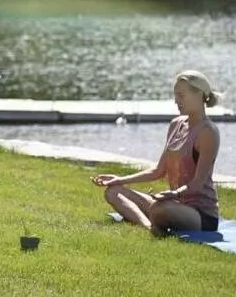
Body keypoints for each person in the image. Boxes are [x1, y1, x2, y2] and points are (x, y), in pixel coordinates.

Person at [93, 70, 222, 235]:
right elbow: (158, 171)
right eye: (175, 95)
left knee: (160, 208)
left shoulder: (208, 132)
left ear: (199, 95)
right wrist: (119, 179)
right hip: (171, 203)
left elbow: (197, 183)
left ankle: (155, 219)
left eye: (181, 95)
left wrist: (174, 193)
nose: (176, 101)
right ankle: (149, 226)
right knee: (113, 192)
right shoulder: (176, 124)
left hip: (200, 214)